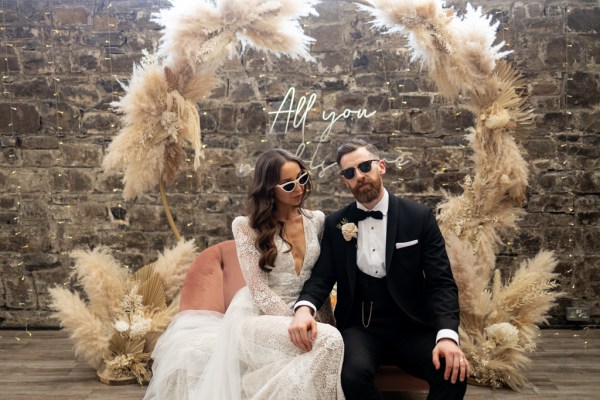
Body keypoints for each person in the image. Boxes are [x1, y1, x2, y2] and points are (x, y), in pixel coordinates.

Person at [144, 148, 345, 400]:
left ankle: (258, 386)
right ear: (269, 188)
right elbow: (259, 291)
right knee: (329, 341)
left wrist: (317, 318)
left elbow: (319, 278)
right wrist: (294, 321)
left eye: (302, 178)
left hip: (307, 314)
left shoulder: (316, 220)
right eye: (288, 184)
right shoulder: (246, 226)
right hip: (260, 316)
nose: (299, 188)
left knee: (327, 340)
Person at [289, 139, 469, 400]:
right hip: (361, 329)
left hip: (413, 327)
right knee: (351, 377)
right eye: (350, 173)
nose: (359, 176)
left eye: (365, 167)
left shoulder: (419, 217)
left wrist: (448, 337)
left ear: (381, 167)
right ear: (345, 180)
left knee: (453, 373)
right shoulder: (336, 224)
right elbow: (322, 277)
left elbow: (441, 283)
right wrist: (304, 309)